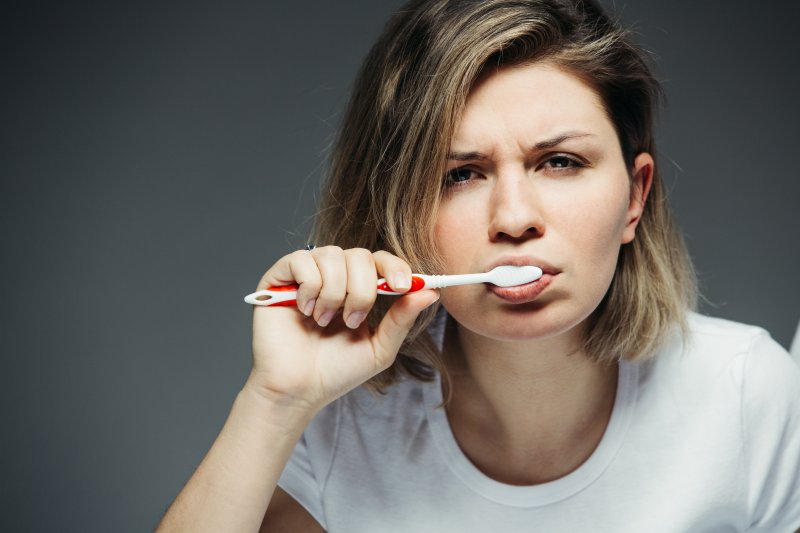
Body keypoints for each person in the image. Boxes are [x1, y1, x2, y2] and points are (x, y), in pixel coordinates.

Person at [156, 0, 800, 531]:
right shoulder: (339, 420)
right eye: (460, 174)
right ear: (397, 210)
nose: (514, 217)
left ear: (635, 197)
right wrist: (275, 403)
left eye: (560, 162)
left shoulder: (747, 394)